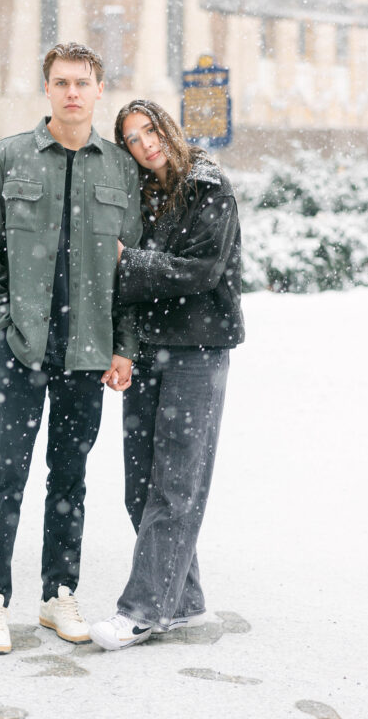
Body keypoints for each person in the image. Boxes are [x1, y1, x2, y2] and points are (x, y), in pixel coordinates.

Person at [0, 43, 142, 655]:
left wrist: (124, 347)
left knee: (69, 478)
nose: (72, 93)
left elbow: (132, 271)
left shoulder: (119, 169)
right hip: (20, 349)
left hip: (86, 354)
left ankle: (57, 592)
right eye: (62, 82)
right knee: (5, 474)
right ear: (47, 89)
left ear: (99, 91)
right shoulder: (8, 158)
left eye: (83, 83)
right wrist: (0, 324)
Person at [89, 99, 245, 651]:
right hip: (151, 349)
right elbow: (129, 285)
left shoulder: (208, 186)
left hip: (198, 350)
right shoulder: (139, 197)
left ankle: (142, 610)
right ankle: (184, 603)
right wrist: (125, 343)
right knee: (142, 486)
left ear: (167, 128)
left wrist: (128, 263)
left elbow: (202, 270)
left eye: (149, 130)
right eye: (132, 138)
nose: (145, 143)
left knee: (177, 483)